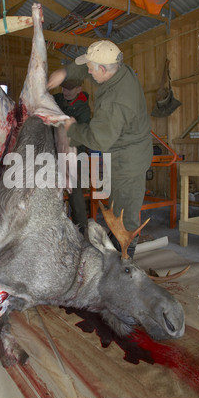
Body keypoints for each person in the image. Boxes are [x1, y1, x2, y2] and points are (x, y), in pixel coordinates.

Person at [48, 40, 153, 258]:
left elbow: (98, 140)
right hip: (120, 154)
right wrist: (65, 72)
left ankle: (126, 263)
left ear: (103, 69)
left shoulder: (116, 102)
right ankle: (116, 248)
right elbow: (87, 67)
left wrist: (72, 128)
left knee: (126, 217)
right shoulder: (120, 70)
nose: (87, 71)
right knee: (116, 211)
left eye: (91, 68)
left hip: (128, 162)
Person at [54, 79, 91, 233]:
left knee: (74, 192)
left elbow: (80, 133)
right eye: (63, 88)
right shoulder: (57, 99)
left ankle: (82, 229)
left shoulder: (83, 108)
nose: (65, 91)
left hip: (76, 152)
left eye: (70, 89)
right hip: (55, 149)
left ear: (79, 89)